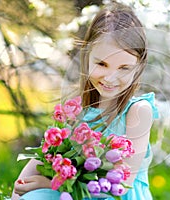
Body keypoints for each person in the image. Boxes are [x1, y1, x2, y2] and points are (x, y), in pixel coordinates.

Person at [11, 2, 159, 200]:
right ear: (87, 57)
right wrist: (18, 193)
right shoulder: (77, 109)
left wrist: (49, 184)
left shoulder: (138, 111)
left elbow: (122, 186)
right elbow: (43, 158)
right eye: (102, 64)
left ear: (139, 67)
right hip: (74, 192)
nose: (110, 77)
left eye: (124, 68)